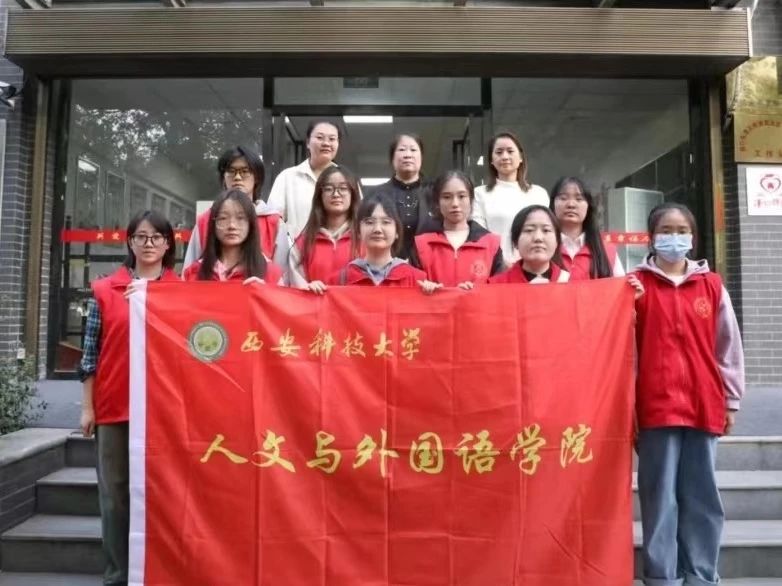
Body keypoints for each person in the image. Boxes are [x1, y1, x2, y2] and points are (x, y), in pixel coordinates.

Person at [634, 202, 745, 586]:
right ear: (651, 237)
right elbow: (625, 352)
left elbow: (728, 347)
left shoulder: (711, 286)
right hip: (655, 408)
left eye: (682, 231)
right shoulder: (636, 286)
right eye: (666, 230)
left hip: (703, 404)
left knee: (702, 497)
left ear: (693, 238)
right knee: (659, 498)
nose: (674, 238)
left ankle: (701, 575)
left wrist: (731, 400)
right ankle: (662, 577)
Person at [79, 210, 180, 586]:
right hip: (115, 408)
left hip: (167, 413)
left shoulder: (183, 292)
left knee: (166, 495)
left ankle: (163, 574)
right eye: (141, 236)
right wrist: (87, 407)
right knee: (115, 496)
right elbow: (90, 356)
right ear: (130, 242)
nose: (149, 243)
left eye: (157, 237)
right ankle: (118, 575)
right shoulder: (106, 290)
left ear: (168, 244)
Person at [183, 145, 290, 272]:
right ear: (223, 178)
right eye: (231, 171)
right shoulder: (206, 220)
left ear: (256, 177)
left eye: (245, 171)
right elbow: (189, 272)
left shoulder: (274, 223)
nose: (237, 177)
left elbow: (282, 276)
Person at [412, 170, 503, 288]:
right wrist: (425, 289)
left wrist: (477, 291)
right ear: (437, 202)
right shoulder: (422, 244)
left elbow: (499, 289)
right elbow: (412, 286)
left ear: (471, 200)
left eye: (461, 196)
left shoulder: (490, 243)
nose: (455, 203)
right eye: (447, 197)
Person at [329, 194, 437, 292]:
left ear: (397, 231)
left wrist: (433, 296)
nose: (377, 229)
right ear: (358, 232)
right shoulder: (339, 280)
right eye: (369, 222)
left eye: (386, 222)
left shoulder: (417, 279)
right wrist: (318, 292)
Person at [472, 132, 549, 266]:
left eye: (510, 151)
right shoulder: (479, 194)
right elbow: (479, 235)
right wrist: (502, 263)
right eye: (499, 152)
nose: (505, 156)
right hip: (495, 266)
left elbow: (546, 233)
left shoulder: (538, 193)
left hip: (532, 267)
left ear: (521, 157)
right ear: (491, 160)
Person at [182, 189, 283, 284]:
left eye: (240, 218)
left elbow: (281, 298)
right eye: (223, 218)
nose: (232, 225)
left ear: (251, 224)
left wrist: (264, 293)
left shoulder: (271, 273)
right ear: (213, 224)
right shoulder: (193, 273)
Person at [288, 165, 361, 293]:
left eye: (343, 188)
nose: (336, 194)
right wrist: (307, 288)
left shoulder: (366, 240)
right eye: (328, 188)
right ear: (320, 195)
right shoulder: (302, 243)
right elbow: (294, 288)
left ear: (353, 194)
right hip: (313, 305)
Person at [268, 120, 341, 238]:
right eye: (320, 137)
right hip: (297, 248)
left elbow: (358, 220)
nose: (326, 143)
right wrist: (288, 244)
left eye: (332, 139)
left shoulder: (347, 180)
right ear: (307, 142)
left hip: (338, 248)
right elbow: (273, 220)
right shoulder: (287, 177)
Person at [370, 133, 436, 260]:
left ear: (421, 157)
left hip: (429, 264)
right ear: (392, 158)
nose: (408, 155)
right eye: (402, 150)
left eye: (413, 150)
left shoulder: (435, 193)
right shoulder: (376, 194)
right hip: (387, 264)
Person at [549, 176, 624, 280]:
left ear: (589, 207)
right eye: (563, 198)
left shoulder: (607, 251)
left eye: (579, 199)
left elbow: (620, 287)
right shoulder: (541, 248)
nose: (571, 204)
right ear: (553, 204)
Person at [488, 205, 570, 284]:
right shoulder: (495, 285)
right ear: (515, 241)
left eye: (546, 230)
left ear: (557, 241)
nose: (538, 237)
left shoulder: (570, 282)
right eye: (529, 230)